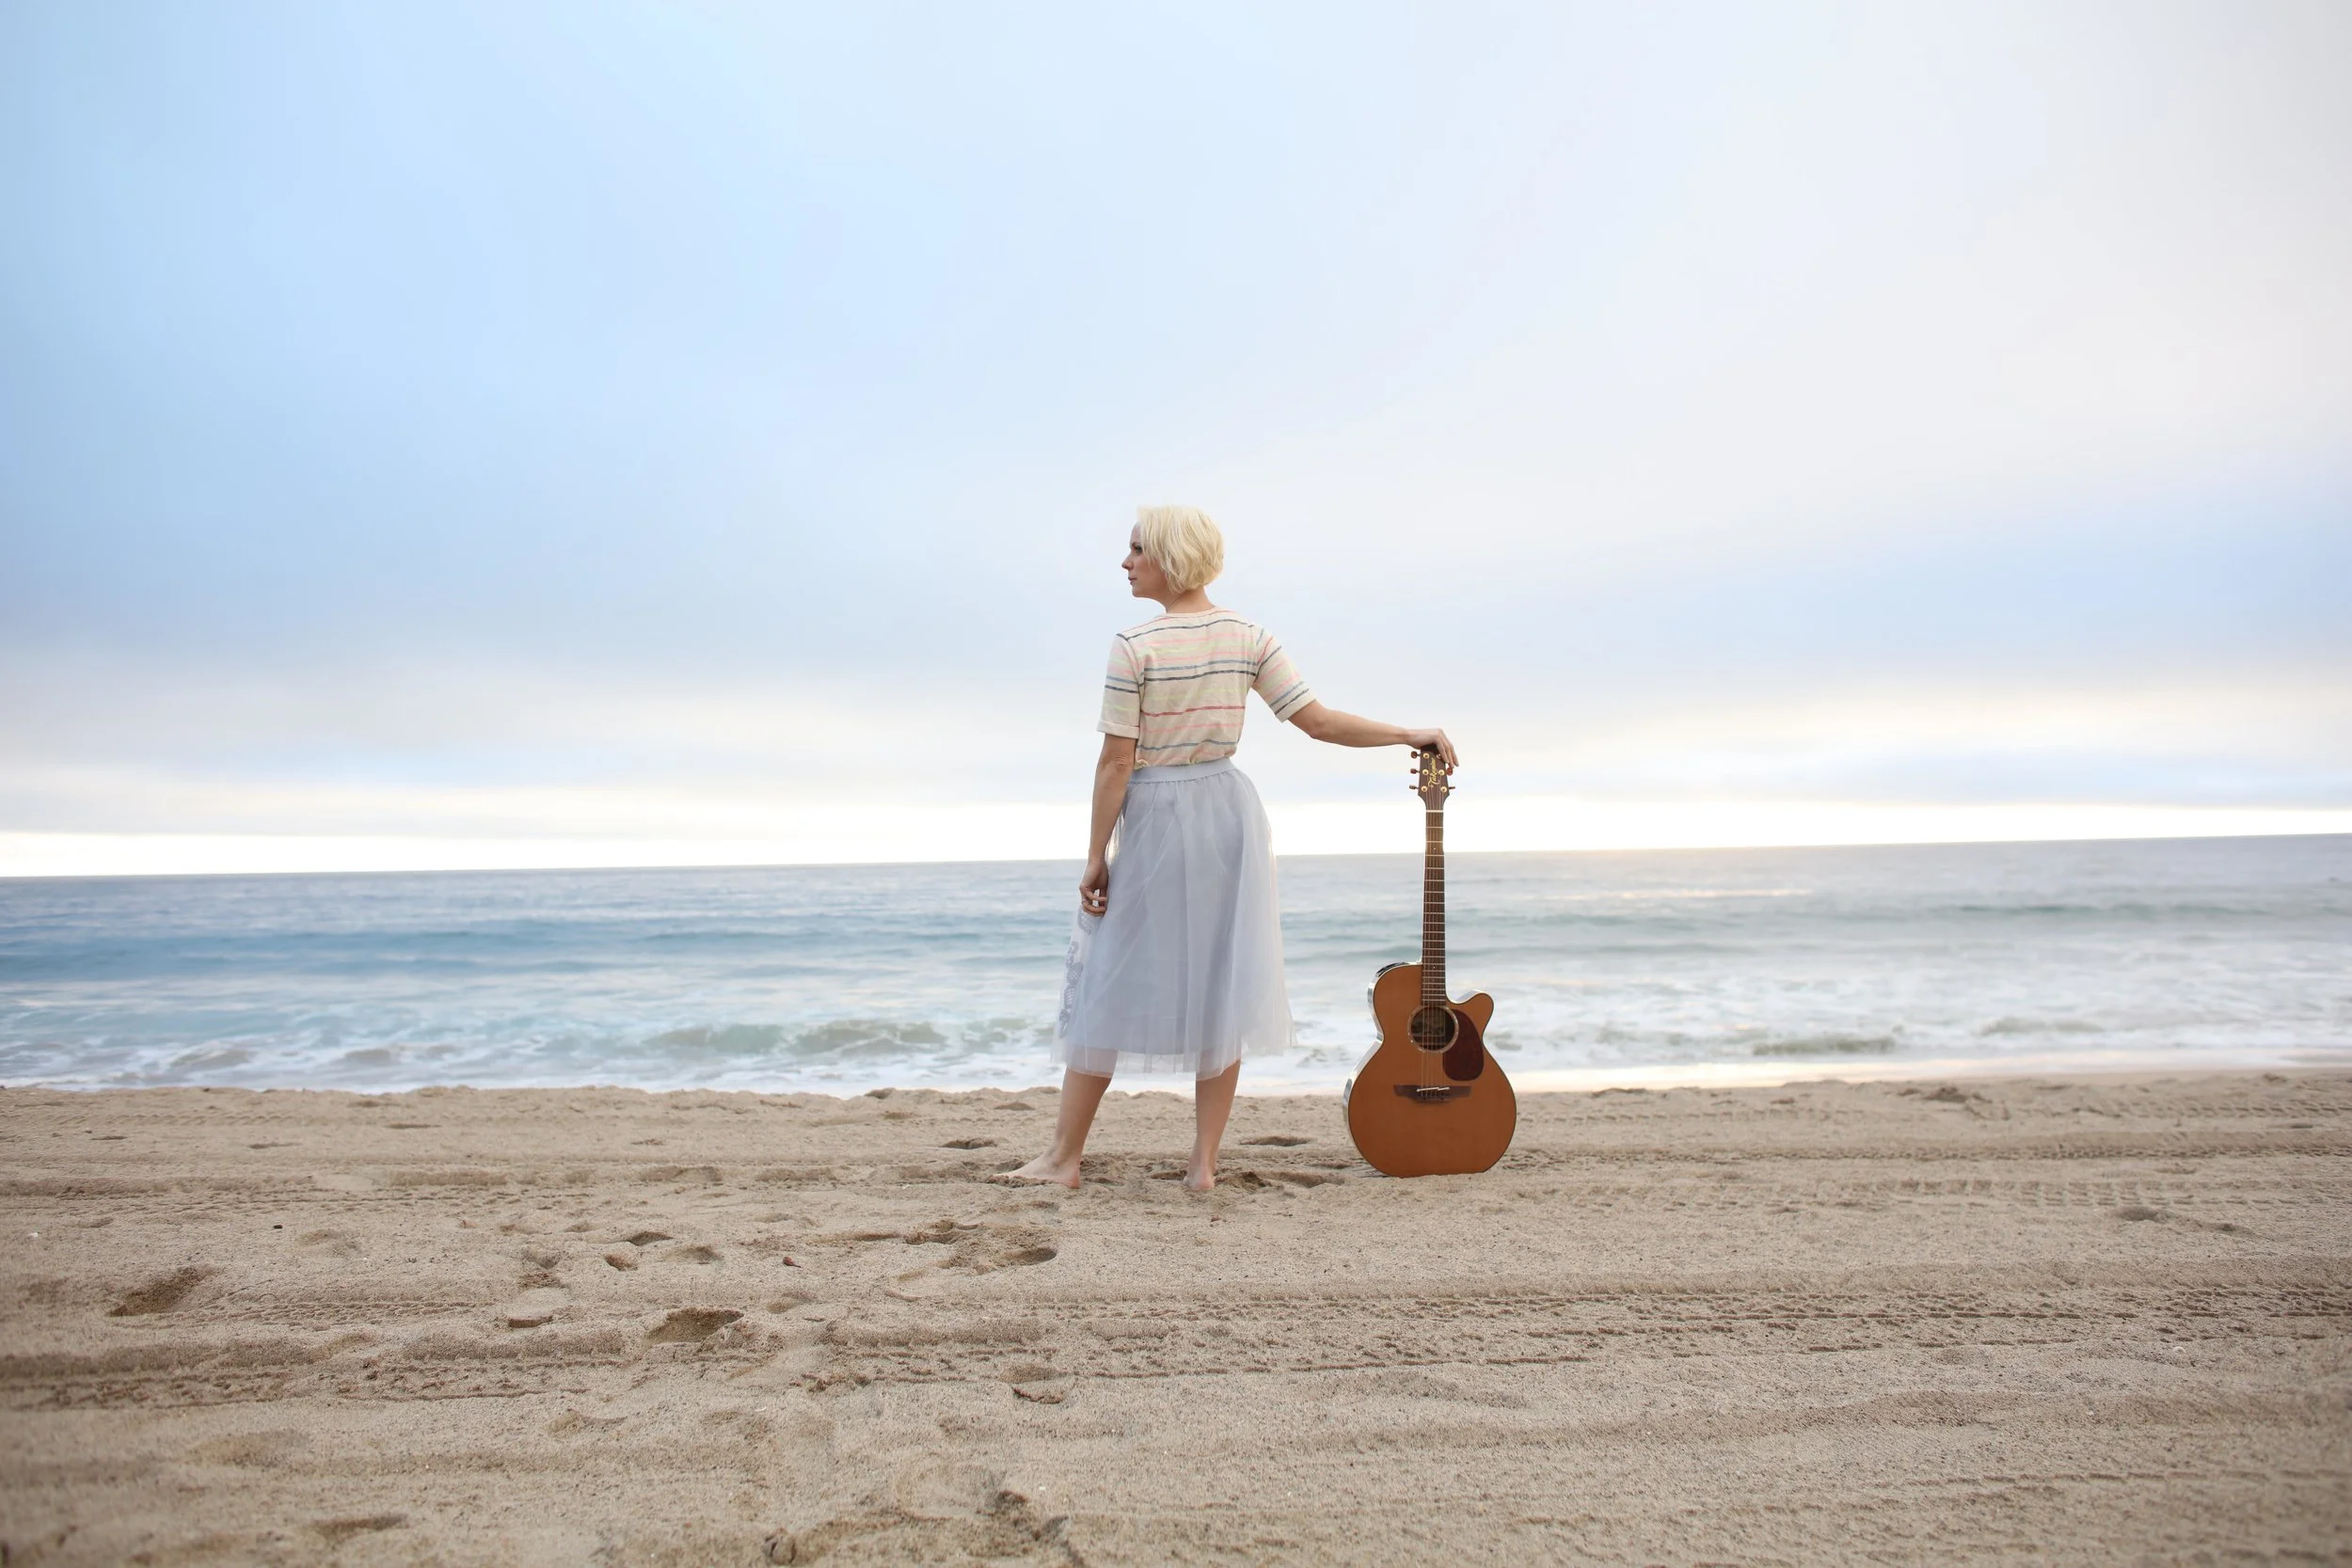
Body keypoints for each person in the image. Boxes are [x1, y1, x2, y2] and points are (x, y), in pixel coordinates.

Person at [1002, 506, 1455, 1191]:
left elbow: (1116, 761)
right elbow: (1316, 721)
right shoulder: (1249, 636)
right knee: (1224, 978)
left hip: (1158, 813)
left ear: (1169, 557)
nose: (1125, 562)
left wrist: (1095, 856)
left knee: (1106, 979)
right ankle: (1203, 1164)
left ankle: (1065, 1158)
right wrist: (1405, 733)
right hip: (1228, 812)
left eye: (1137, 549)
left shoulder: (1133, 644)